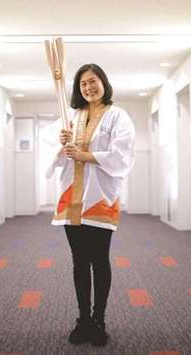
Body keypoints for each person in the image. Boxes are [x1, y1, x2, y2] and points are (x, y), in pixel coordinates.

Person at [46, 63, 136, 347]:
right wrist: (62, 143)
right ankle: (83, 319)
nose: (88, 87)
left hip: (100, 198)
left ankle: (99, 319)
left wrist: (84, 155)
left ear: (103, 83)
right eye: (83, 83)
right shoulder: (72, 116)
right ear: (78, 89)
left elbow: (123, 155)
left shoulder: (118, 115)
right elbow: (55, 153)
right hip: (72, 198)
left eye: (93, 81)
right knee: (79, 261)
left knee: (99, 259)